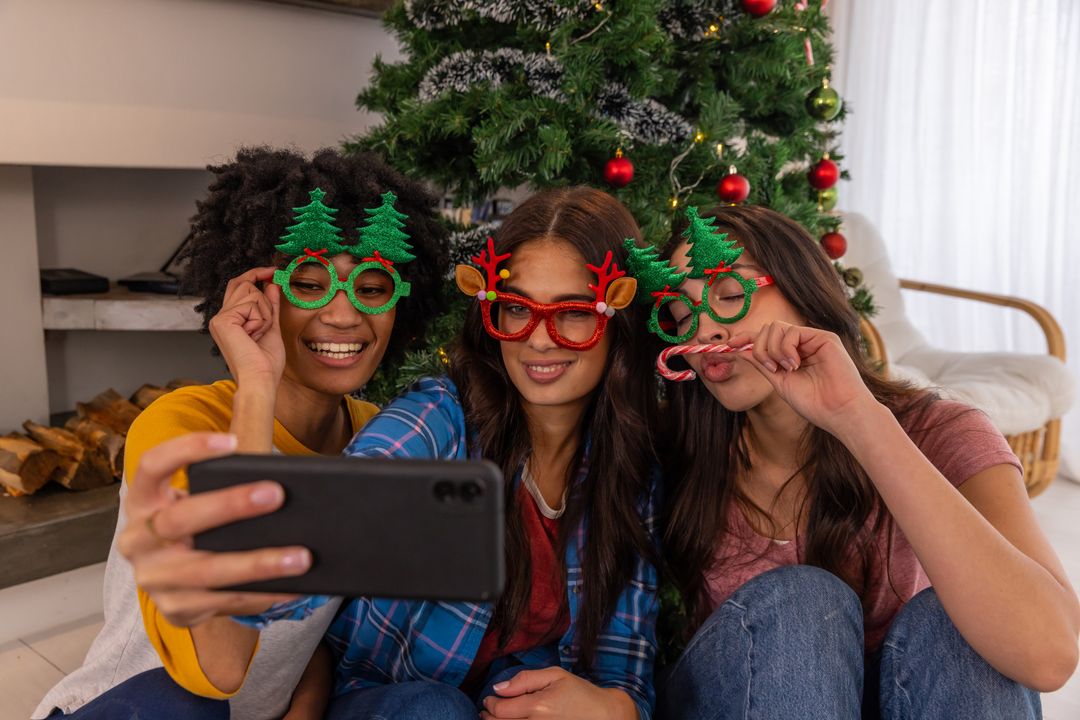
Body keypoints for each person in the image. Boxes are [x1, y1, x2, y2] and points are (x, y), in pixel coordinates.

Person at [120, 186, 664, 720]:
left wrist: (611, 708)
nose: (540, 339)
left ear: (618, 319)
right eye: (517, 308)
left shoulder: (625, 466)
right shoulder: (430, 425)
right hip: (200, 702)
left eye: (574, 312)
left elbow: (622, 667)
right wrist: (258, 386)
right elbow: (244, 639)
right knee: (435, 707)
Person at [34, 146, 447, 720]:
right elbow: (220, 667)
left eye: (372, 288)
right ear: (254, 291)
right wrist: (255, 383)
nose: (346, 315)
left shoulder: (381, 440)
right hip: (141, 707)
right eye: (308, 283)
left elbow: (320, 637)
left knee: (431, 706)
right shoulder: (179, 427)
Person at [636, 204, 1079, 719]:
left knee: (961, 630)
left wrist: (859, 420)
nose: (706, 329)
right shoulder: (672, 452)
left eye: (732, 296)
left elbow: (1050, 656)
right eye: (683, 314)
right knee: (803, 604)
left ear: (806, 294)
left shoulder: (944, 432)